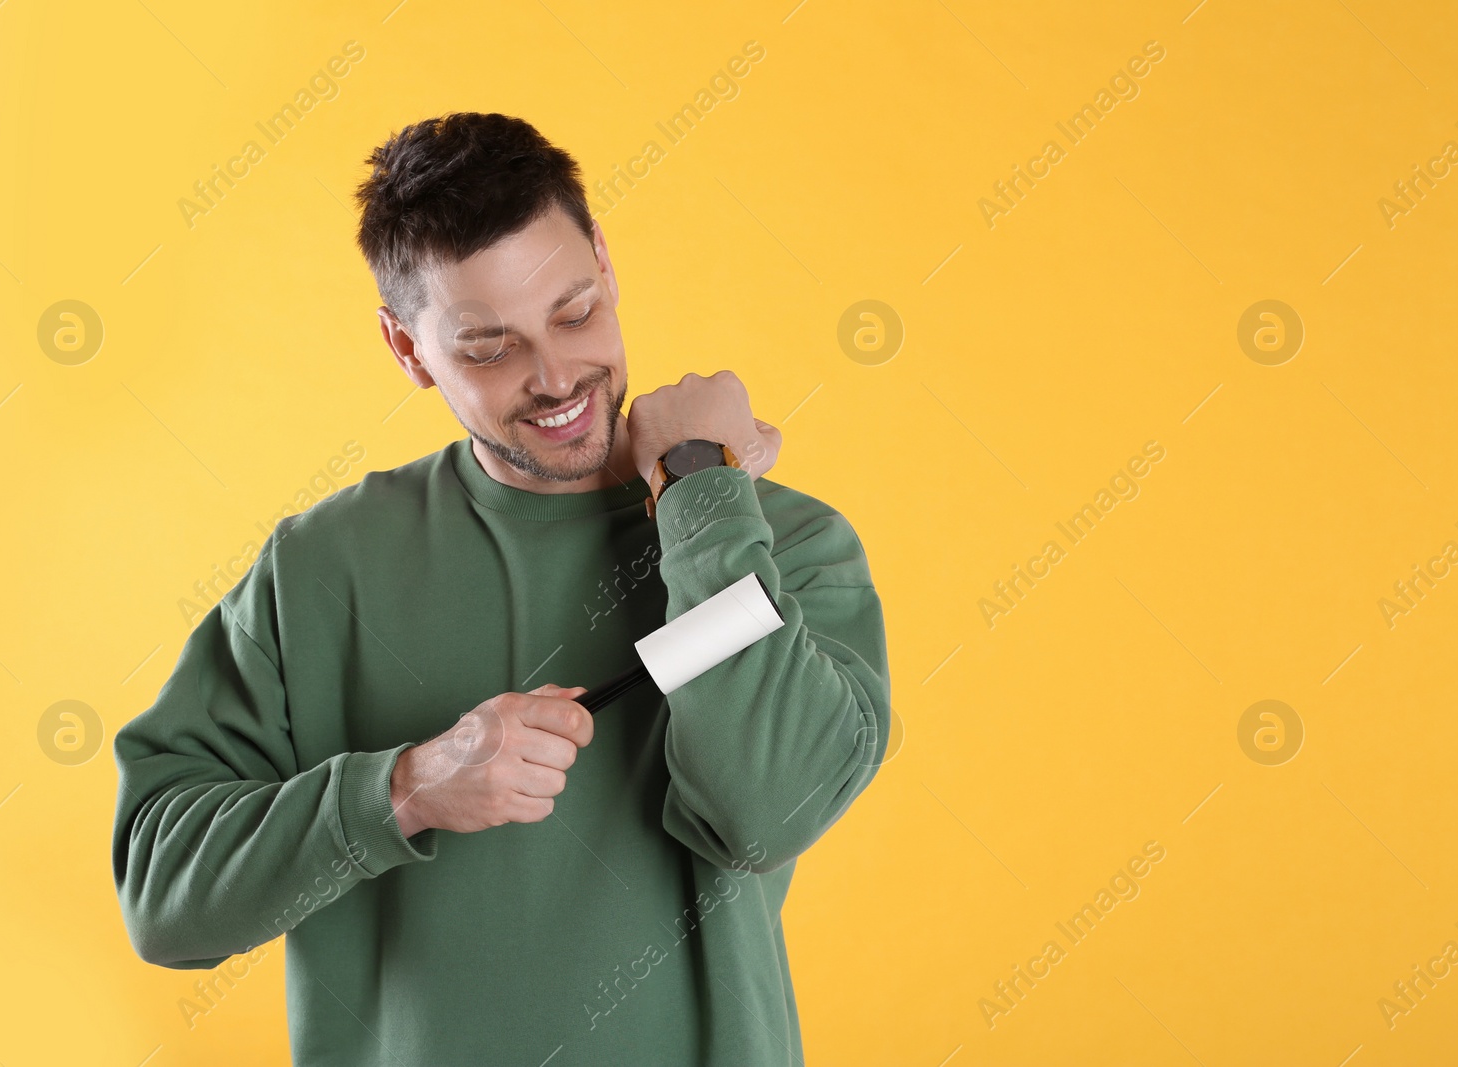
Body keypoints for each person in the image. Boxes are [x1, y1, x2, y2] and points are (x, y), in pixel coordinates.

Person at [111, 111, 892, 1066]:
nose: (557, 375)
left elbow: (765, 810)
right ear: (408, 350)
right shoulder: (320, 570)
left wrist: (700, 489)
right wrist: (404, 790)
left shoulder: (785, 543)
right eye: (490, 347)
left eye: (574, 313)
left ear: (605, 263)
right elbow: (165, 899)